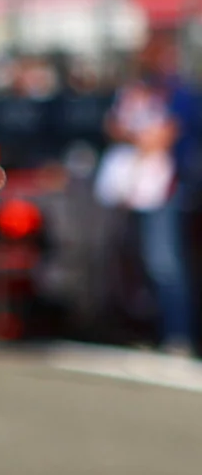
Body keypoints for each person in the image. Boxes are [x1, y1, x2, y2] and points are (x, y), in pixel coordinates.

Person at [98, 52, 189, 354]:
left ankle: (177, 334)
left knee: (164, 264)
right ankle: (144, 330)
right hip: (130, 195)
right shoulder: (129, 97)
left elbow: (161, 137)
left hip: (161, 193)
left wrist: (135, 135)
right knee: (133, 264)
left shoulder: (175, 96)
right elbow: (112, 127)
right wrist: (133, 134)